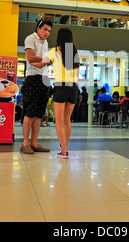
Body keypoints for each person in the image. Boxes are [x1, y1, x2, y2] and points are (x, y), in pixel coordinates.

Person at [39, 27, 81, 159]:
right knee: (67, 120)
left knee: (58, 121)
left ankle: (64, 151)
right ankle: (65, 148)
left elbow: (41, 64)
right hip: (73, 88)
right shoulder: (75, 53)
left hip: (61, 87)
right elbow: (77, 73)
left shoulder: (54, 51)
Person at [20, 19, 53, 154]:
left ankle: (34, 143)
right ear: (38, 28)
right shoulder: (30, 38)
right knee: (30, 111)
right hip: (32, 78)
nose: (47, 33)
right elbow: (30, 57)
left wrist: (46, 62)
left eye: (49, 31)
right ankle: (25, 143)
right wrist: (46, 60)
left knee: (39, 113)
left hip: (44, 79)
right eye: (45, 29)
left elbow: (39, 62)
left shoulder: (46, 43)